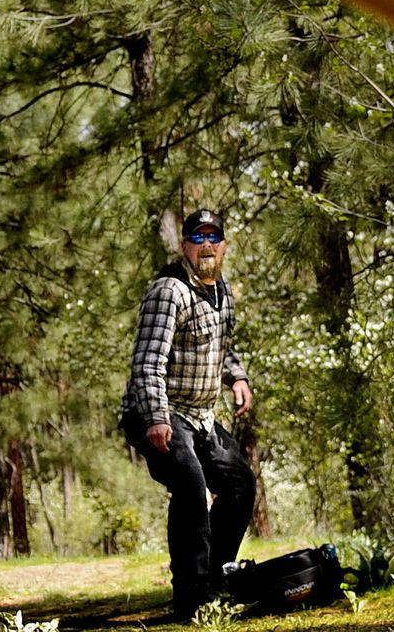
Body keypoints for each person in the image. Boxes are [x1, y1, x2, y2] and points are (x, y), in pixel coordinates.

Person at [119, 208, 256, 620]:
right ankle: (191, 600)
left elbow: (221, 343)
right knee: (192, 484)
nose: (207, 245)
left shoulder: (221, 290)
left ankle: (215, 582)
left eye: (214, 238)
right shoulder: (169, 291)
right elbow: (146, 363)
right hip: (157, 411)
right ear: (185, 247)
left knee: (239, 485)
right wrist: (158, 418)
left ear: (224, 246)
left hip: (200, 416)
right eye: (198, 238)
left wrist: (237, 378)